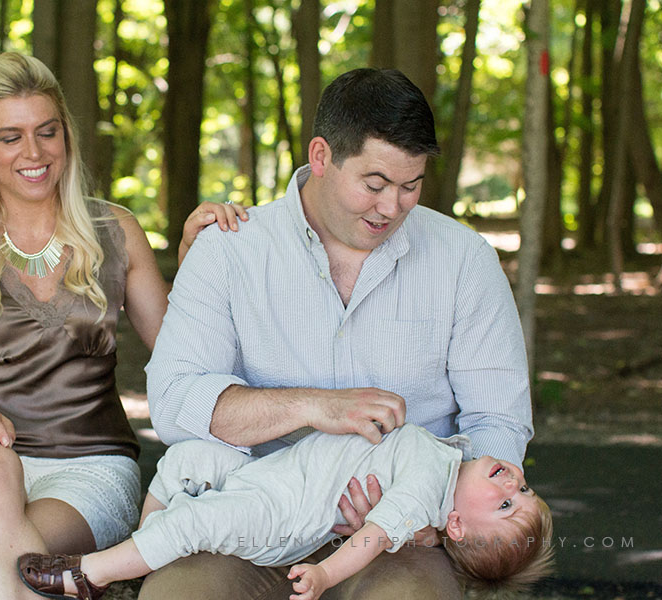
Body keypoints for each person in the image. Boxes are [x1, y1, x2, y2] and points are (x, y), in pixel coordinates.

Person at [140, 67, 533, 598]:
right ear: (321, 156)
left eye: (410, 186)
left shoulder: (464, 260)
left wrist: (436, 518)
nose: (392, 207)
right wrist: (313, 406)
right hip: (244, 510)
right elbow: (173, 402)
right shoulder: (229, 250)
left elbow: (498, 420)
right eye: (375, 184)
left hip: (399, 539)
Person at [0, 52, 246, 600]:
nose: (34, 152)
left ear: (65, 135)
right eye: (11, 137)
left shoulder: (114, 231)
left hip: (91, 467)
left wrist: (194, 257)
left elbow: (182, 349)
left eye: (47, 132)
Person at [17, 424, 553, 600]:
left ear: (455, 524)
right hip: (270, 471)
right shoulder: (449, 456)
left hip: (282, 514)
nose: (514, 482)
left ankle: (91, 573)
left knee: (195, 523)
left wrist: (324, 575)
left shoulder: (424, 492)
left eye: (507, 504)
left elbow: (369, 538)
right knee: (186, 459)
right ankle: (147, 547)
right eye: (526, 487)